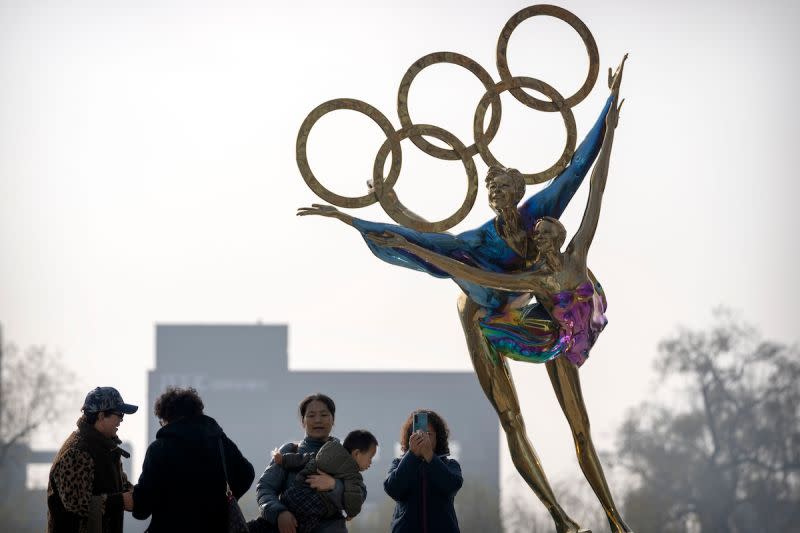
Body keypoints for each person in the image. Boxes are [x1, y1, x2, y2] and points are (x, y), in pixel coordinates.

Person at [298, 56, 630, 533]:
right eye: (492, 191)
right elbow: (439, 252)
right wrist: (358, 221)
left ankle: (617, 522)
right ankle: (561, 519)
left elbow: (585, 176)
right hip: (489, 317)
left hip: (552, 323)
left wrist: (609, 111)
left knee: (580, 424)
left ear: (520, 195)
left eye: (504, 189)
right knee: (512, 420)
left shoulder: (554, 228)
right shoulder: (492, 250)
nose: (498, 196)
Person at [130, 386, 255, 532]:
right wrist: (222, 500)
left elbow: (142, 508)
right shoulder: (219, 441)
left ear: (167, 418)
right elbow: (247, 473)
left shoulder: (159, 449)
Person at [255, 393, 351, 533]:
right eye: (311, 416)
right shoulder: (289, 452)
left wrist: (334, 485)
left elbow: (359, 493)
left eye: (324, 415)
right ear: (303, 421)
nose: (318, 420)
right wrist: (279, 513)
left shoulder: (344, 454)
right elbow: (265, 488)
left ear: (333, 419)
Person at [47, 386, 137, 533]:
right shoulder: (77, 452)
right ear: (101, 415)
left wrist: (141, 495)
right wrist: (120, 501)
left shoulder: (107, 449)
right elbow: (77, 504)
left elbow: (122, 487)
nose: (121, 420)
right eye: (119, 414)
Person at [275, 429, 377, 533]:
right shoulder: (352, 475)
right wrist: (351, 513)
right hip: (312, 507)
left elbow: (305, 459)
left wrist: (283, 459)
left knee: (270, 526)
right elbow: (354, 497)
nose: (370, 462)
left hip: (296, 492)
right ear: (357, 454)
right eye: (370, 458)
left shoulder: (328, 449)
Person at [384, 409, 462, 533]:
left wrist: (430, 456)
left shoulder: (450, 465)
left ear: (438, 438)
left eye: (428, 434)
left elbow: (451, 486)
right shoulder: (398, 464)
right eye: (418, 434)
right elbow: (393, 489)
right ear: (410, 437)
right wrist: (412, 455)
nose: (423, 438)